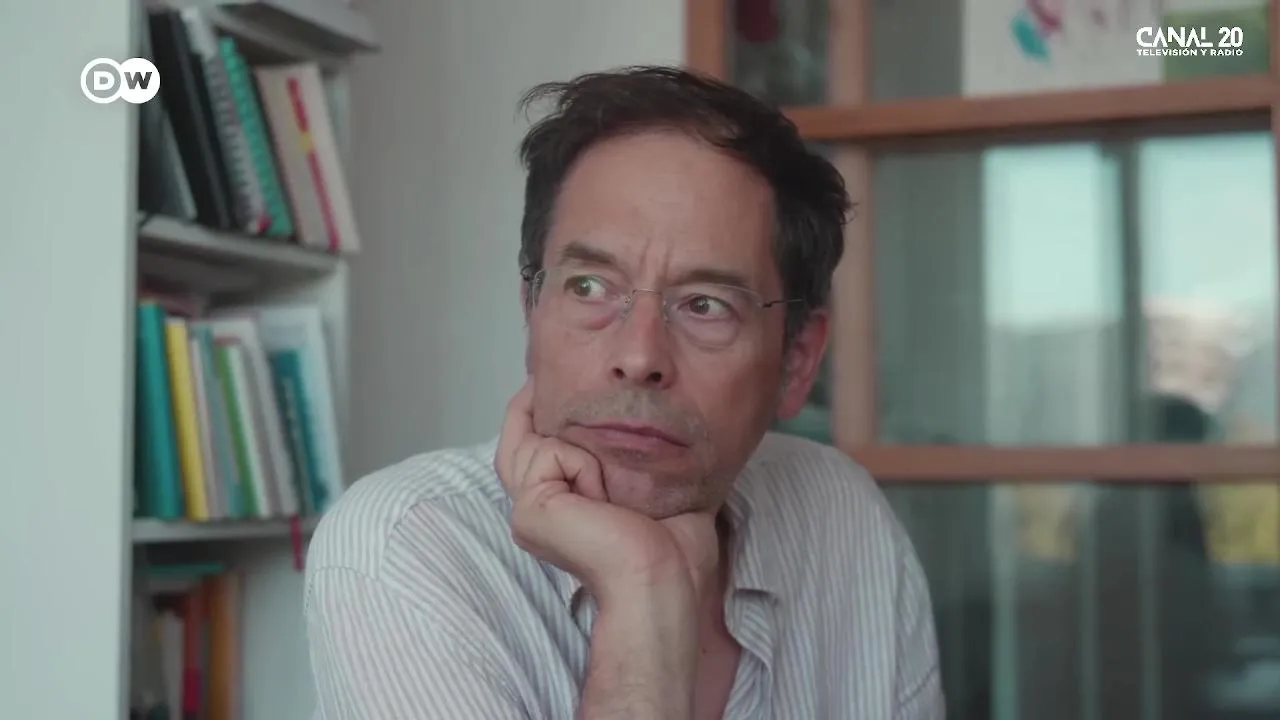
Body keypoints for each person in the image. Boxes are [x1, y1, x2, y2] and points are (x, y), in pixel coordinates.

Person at [304, 65, 943, 719]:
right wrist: (644, 590)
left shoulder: (841, 517)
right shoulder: (401, 548)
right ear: (532, 313)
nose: (639, 358)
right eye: (589, 287)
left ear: (797, 361)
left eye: (706, 304)